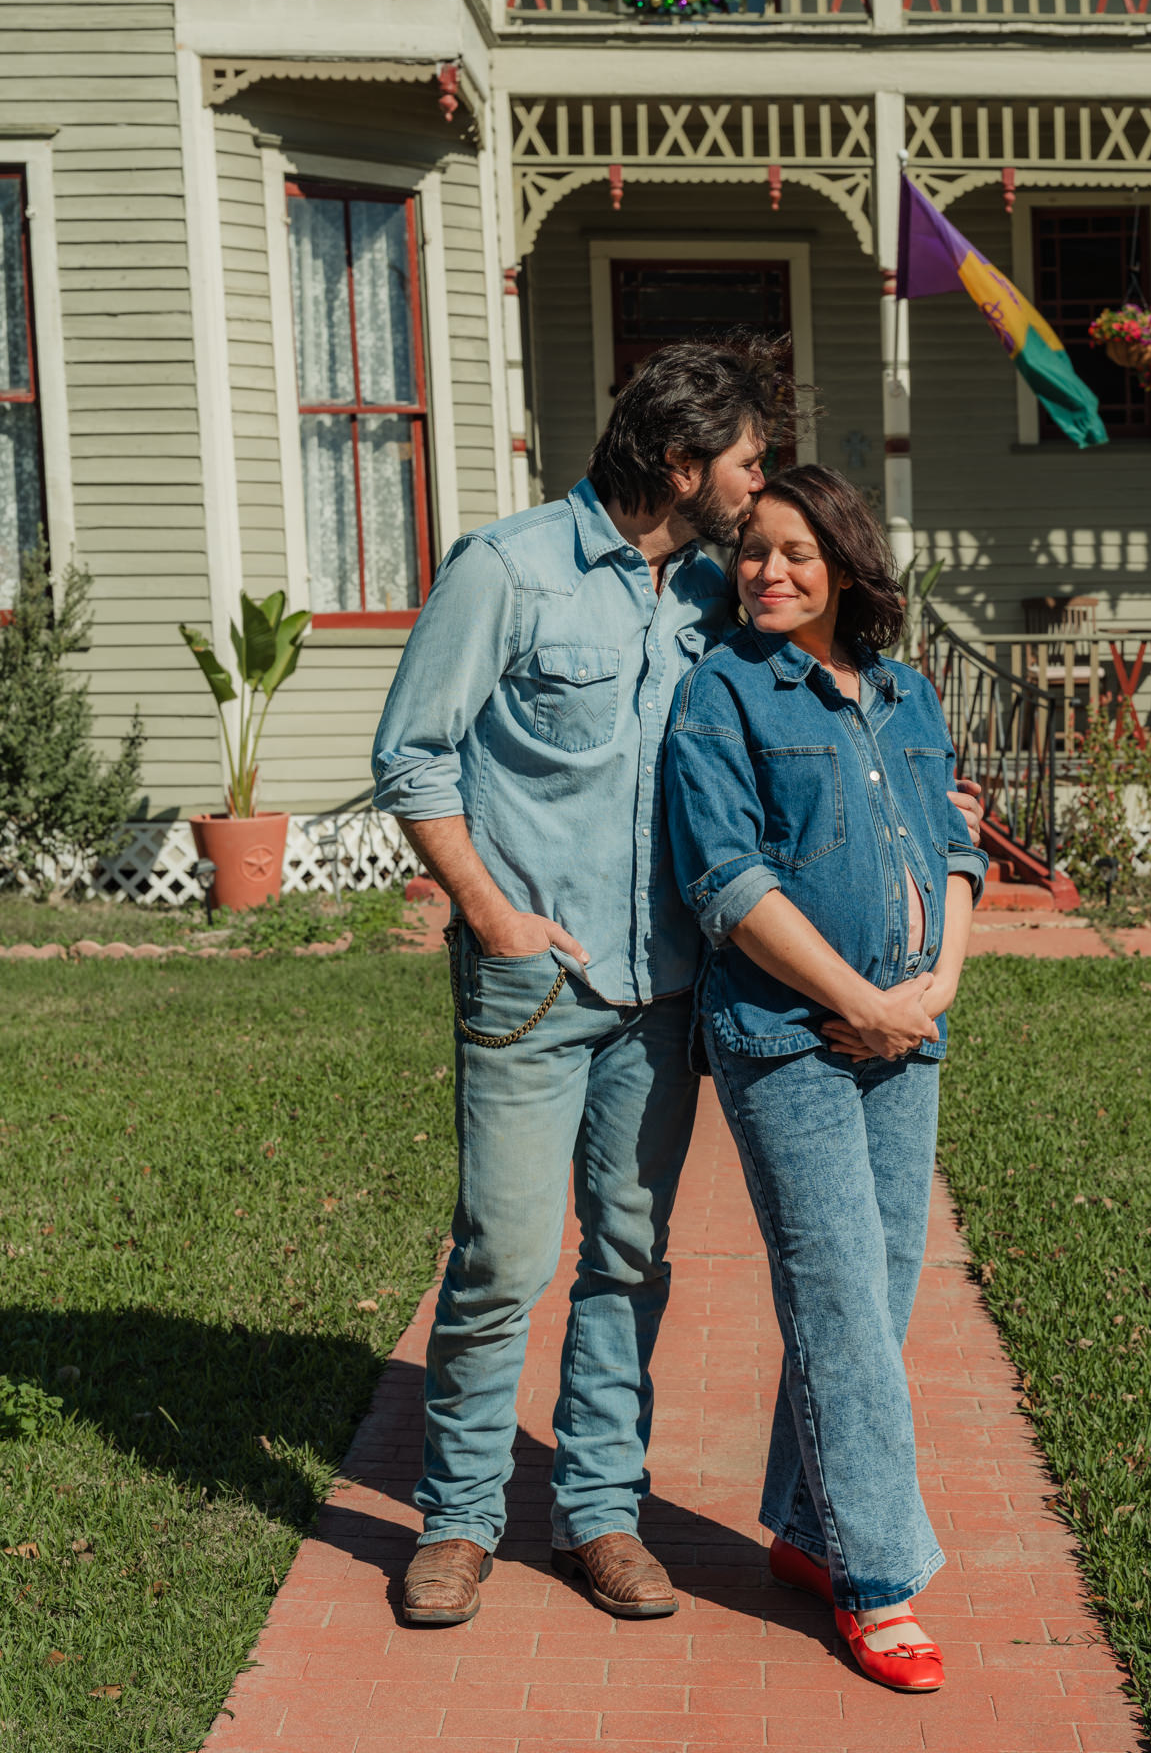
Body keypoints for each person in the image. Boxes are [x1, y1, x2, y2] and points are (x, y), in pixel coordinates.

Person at [370, 340, 982, 1630]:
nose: (759, 491)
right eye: (748, 461)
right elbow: (411, 753)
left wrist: (925, 807)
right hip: (538, 986)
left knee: (632, 1257)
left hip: (673, 993)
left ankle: (600, 1511)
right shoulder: (510, 568)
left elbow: (810, 711)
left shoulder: (712, 594)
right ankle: (461, 1519)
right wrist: (494, 915)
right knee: (503, 1257)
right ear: (682, 461)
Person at [664, 465, 986, 1694]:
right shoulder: (723, 692)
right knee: (841, 1294)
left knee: (881, 1287)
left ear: (846, 563)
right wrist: (855, 1003)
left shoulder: (902, 693)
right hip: (789, 1040)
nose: (767, 571)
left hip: (909, 1027)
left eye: (795, 551)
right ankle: (878, 1578)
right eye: (751, 551)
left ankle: (807, 1528)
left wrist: (930, 991)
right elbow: (729, 883)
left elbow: (953, 840)